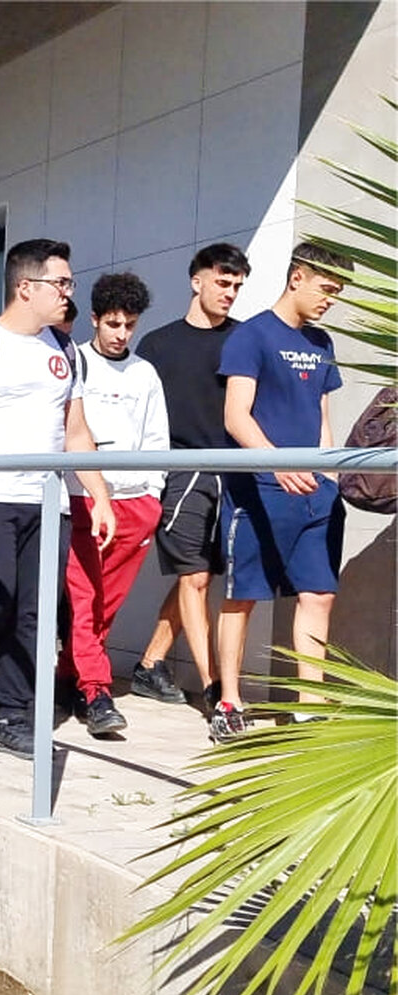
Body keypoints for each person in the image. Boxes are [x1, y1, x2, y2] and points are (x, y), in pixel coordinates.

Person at [0, 238, 116, 758]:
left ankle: (13, 716)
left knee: (36, 613)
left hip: (47, 499)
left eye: (69, 284)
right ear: (25, 287)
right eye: (61, 283)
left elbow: (76, 433)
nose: (68, 294)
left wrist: (98, 495)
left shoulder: (64, 351)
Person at [210, 242, 351, 742]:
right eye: (326, 288)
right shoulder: (251, 337)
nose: (330, 300)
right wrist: (279, 462)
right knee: (244, 596)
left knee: (319, 595)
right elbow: (235, 416)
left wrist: (328, 478)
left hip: (315, 494)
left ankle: (308, 707)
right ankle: (228, 700)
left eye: (337, 293)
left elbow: (322, 419)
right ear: (297, 277)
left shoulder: (322, 343)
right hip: (260, 491)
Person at [131, 243, 252, 710]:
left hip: (234, 472)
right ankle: (215, 687)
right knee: (196, 578)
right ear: (196, 280)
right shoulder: (157, 346)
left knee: (201, 577)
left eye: (238, 285)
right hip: (180, 472)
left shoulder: (244, 340)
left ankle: (149, 664)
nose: (230, 292)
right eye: (223, 282)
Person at [56, 273, 169, 737]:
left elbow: (157, 439)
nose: (122, 334)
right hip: (80, 501)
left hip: (134, 505)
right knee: (82, 602)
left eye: (130, 325)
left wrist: (152, 497)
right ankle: (98, 691)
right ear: (97, 319)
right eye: (114, 324)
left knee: (106, 606)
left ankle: (71, 677)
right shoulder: (71, 362)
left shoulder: (144, 373)